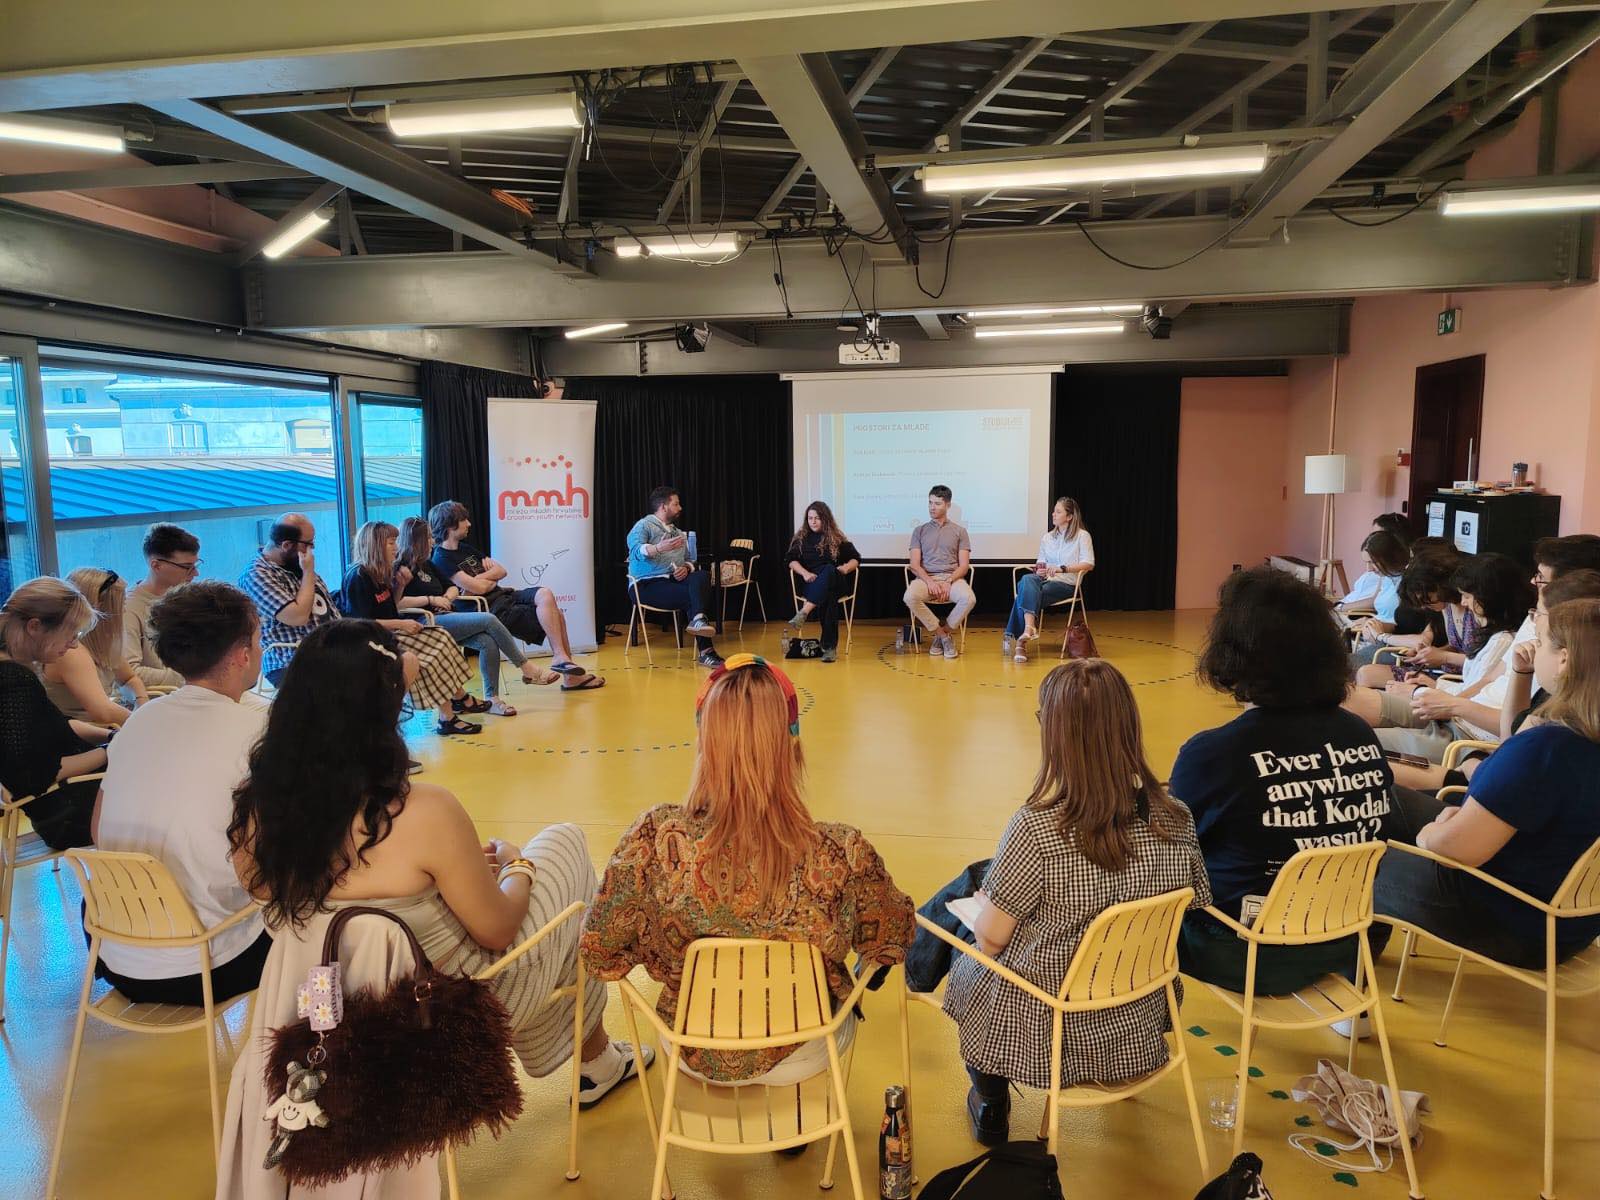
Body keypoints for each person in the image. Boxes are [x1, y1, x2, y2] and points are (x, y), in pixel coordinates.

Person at [217, 621, 645, 1196]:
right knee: (563, 847)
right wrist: (515, 866)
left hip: (315, 1014)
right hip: (436, 1018)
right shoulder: (422, 811)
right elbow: (497, 931)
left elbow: (294, 897)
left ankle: (596, 1062)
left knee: (539, 909)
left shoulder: (258, 813)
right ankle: (595, 1062)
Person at [582, 655, 914, 1085]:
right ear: (791, 746)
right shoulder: (841, 852)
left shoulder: (653, 840)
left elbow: (598, 952)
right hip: (804, 1048)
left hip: (690, 1046)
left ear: (704, 743)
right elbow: (893, 938)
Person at [942, 660, 1210, 1146]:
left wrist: (985, 910)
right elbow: (1193, 904)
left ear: (1056, 735)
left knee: (966, 932)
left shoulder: (1035, 828)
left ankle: (991, 1100)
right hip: (1136, 1006)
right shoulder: (1177, 817)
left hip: (1048, 1019)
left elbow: (993, 940)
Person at [1174, 567, 1408, 999]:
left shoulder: (1214, 753)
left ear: (1233, 654)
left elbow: (1174, 855)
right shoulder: (1359, 735)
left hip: (1246, 953)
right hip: (1346, 940)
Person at [1374, 597, 1600, 967]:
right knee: (1382, 798)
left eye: (1542, 642)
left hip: (1506, 919)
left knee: (1350, 860)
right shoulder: (1570, 740)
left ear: (1564, 659)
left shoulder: (1547, 748)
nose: (1534, 649)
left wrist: (1433, 834)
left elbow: (1457, 850)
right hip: (1566, 923)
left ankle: (1343, 970)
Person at [90, 581, 271, 1004]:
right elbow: (269, 872)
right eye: (258, 640)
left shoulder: (138, 721)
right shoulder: (259, 732)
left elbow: (97, 830)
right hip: (210, 964)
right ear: (242, 654)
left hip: (115, 954)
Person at [1345, 553, 1531, 763]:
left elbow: (1478, 691)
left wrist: (1429, 685)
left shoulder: (1505, 642)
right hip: (1449, 699)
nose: (1464, 602)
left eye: (1468, 596)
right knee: (1354, 695)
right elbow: (1478, 681)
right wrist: (1431, 679)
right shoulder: (1498, 638)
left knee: (1360, 730)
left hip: (1455, 714)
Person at [396, 516, 577, 710]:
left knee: (487, 641)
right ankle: (526, 668)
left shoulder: (428, 564)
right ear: (417, 540)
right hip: (424, 622)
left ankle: (493, 699)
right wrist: (431, 600)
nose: (432, 541)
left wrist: (446, 598)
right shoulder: (401, 567)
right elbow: (397, 603)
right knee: (489, 619)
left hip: (446, 615)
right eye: (428, 538)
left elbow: (453, 587)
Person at [428, 500, 599, 683]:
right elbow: (480, 588)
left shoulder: (465, 549)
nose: (469, 524)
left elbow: (501, 571)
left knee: (545, 593)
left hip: (504, 595)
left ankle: (561, 659)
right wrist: (486, 580)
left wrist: (479, 580)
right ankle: (569, 675)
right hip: (491, 608)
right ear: (451, 525)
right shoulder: (441, 557)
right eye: (464, 520)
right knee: (557, 615)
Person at [341, 521, 485, 736]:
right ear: (375, 545)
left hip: (389, 633)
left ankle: (450, 713)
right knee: (430, 655)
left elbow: (391, 605)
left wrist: (400, 586)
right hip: (370, 640)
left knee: (441, 636)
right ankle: (449, 714)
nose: (396, 547)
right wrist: (401, 624)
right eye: (391, 542)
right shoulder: (358, 577)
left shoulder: (380, 572)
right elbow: (361, 623)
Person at [0, 578, 111, 850]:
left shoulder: (14, 672)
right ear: (35, 627)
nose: (73, 645)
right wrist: (111, 751)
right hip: (69, 815)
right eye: (70, 634)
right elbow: (32, 775)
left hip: (68, 805)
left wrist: (110, 736)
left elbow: (56, 725)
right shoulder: (12, 680)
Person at [237, 512, 339, 687]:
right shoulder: (257, 574)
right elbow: (297, 617)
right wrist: (308, 572)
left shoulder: (297, 566)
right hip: (291, 659)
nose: (312, 549)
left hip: (329, 651)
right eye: (308, 544)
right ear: (286, 545)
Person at [624, 486, 722, 668]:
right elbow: (635, 550)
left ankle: (698, 620)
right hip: (646, 585)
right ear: (663, 506)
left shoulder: (678, 533)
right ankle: (706, 652)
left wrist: (686, 568)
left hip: (672, 581)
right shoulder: (644, 525)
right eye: (676, 504)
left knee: (702, 575)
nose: (680, 508)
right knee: (694, 596)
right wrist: (657, 548)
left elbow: (689, 559)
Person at [40, 567, 147, 725]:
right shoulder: (70, 652)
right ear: (100, 607)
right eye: (121, 604)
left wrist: (140, 701)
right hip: (81, 734)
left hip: (103, 729)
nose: (124, 610)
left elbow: (129, 678)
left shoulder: (105, 644)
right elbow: (104, 712)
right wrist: (146, 721)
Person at [1004, 496, 1095, 663]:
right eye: (1054, 511)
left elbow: (1088, 564)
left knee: (1025, 593)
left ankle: (1019, 643)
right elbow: (1041, 561)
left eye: (1058, 512)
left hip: (1066, 583)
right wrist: (1039, 569)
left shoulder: (1082, 536)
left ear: (1069, 516)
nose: (1053, 514)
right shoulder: (1047, 537)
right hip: (1044, 579)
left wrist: (1062, 568)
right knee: (1027, 579)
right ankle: (1029, 629)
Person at [123, 522, 199, 692]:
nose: (195, 573)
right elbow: (128, 672)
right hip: (162, 696)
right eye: (187, 567)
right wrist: (194, 677)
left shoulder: (187, 597)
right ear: (156, 565)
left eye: (196, 565)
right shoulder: (129, 608)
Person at [782, 500, 860, 663]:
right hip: (812, 583)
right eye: (810, 518)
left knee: (830, 570)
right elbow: (790, 560)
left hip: (836, 580)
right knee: (829, 596)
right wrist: (804, 573)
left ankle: (804, 612)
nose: (813, 522)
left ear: (825, 519)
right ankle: (829, 648)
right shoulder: (801, 539)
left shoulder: (836, 537)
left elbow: (856, 558)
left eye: (817, 518)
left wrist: (845, 568)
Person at [904, 485, 974, 660]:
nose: (932, 507)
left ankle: (944, 633)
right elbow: (914, 564)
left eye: (937, 503)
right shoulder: (919, 530)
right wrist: (930, 582)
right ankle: (942, 636)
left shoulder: (960, 531)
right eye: (930, 503)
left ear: (948, 505)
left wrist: (948, 581)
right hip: (926, 579)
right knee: (910, 597)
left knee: (969, 599)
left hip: (952, 578)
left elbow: (964, 566)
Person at [1341, 530, 1410, 665]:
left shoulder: (1408, 582)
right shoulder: (1386, 576)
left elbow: (1405, 625)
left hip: (1392, 644)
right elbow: (1375, 602)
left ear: (1388, 558)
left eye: (1372, 562)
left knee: (1339, 663)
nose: (1369, 569)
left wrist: (1374, 624)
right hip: (1375, 635)